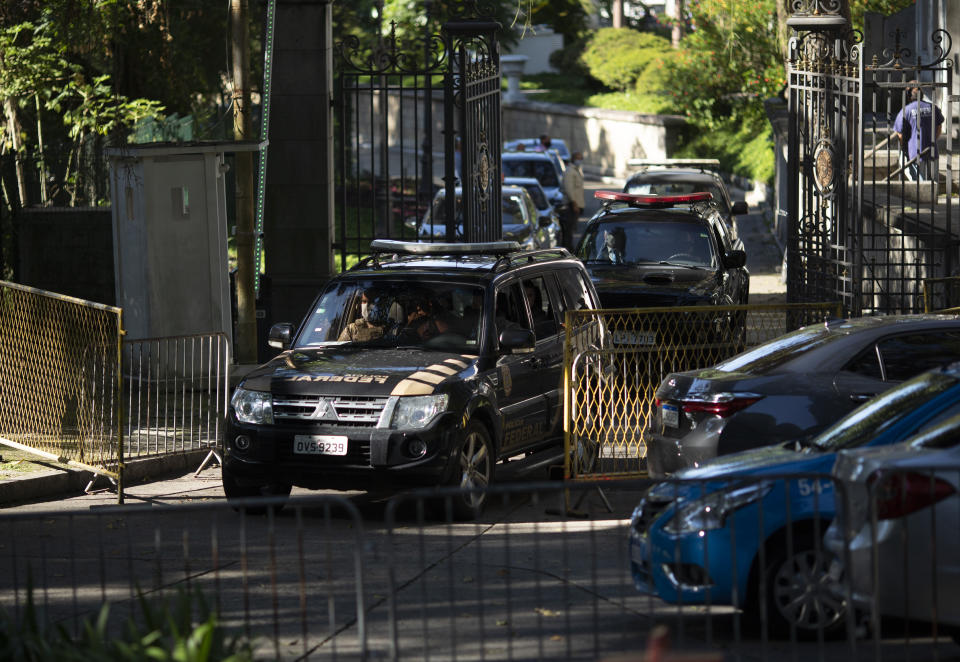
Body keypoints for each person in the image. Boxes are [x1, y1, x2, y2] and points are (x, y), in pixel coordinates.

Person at [893, 82, 944, 182]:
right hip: (932, 151)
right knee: (933, 183)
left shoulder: (906, 111)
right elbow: (939, 126)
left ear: (908, 95)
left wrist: (904, 147)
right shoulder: (933, 108)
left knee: (920, 184)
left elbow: (900, 134)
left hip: (914, 153)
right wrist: (932, 140)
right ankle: (933, 197)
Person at [561, 150, 585, 250]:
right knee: (568, 229)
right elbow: (569, 189)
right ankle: (567, 249)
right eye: (578, 158)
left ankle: (569, 248)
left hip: (576, 204)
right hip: (571, 205)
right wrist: (574, 203)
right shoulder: (570, 171)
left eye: (581, 159)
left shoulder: (576, 170)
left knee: (571, 229)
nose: (580, 161)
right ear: (573, 159)